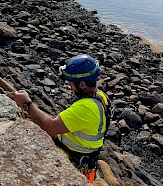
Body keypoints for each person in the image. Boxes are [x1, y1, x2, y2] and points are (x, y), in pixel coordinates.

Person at [13, 54, 111, 183]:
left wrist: (27, 103)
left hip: (72, 161)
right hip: (86, 161)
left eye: (70, 81)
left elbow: (50, 127)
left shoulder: (85, 108)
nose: (68, 83)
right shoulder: (101, 97)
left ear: (82, 84)